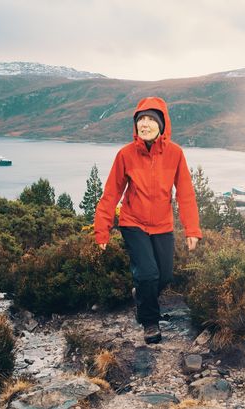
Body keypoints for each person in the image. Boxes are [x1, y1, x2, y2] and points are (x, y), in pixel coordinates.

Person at [94, 96, 202, 344]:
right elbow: (111, 194)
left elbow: (185, 193)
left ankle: (141, 294)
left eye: (150, 120)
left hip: (162, 224)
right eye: (140, 119)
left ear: (162, 124)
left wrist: (191, 229)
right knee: (147, 274)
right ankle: (150, 322)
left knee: (164, 276)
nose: (144, 124)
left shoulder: (175, 154)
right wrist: (102, 229)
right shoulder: (125, 155)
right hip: (133, 223)